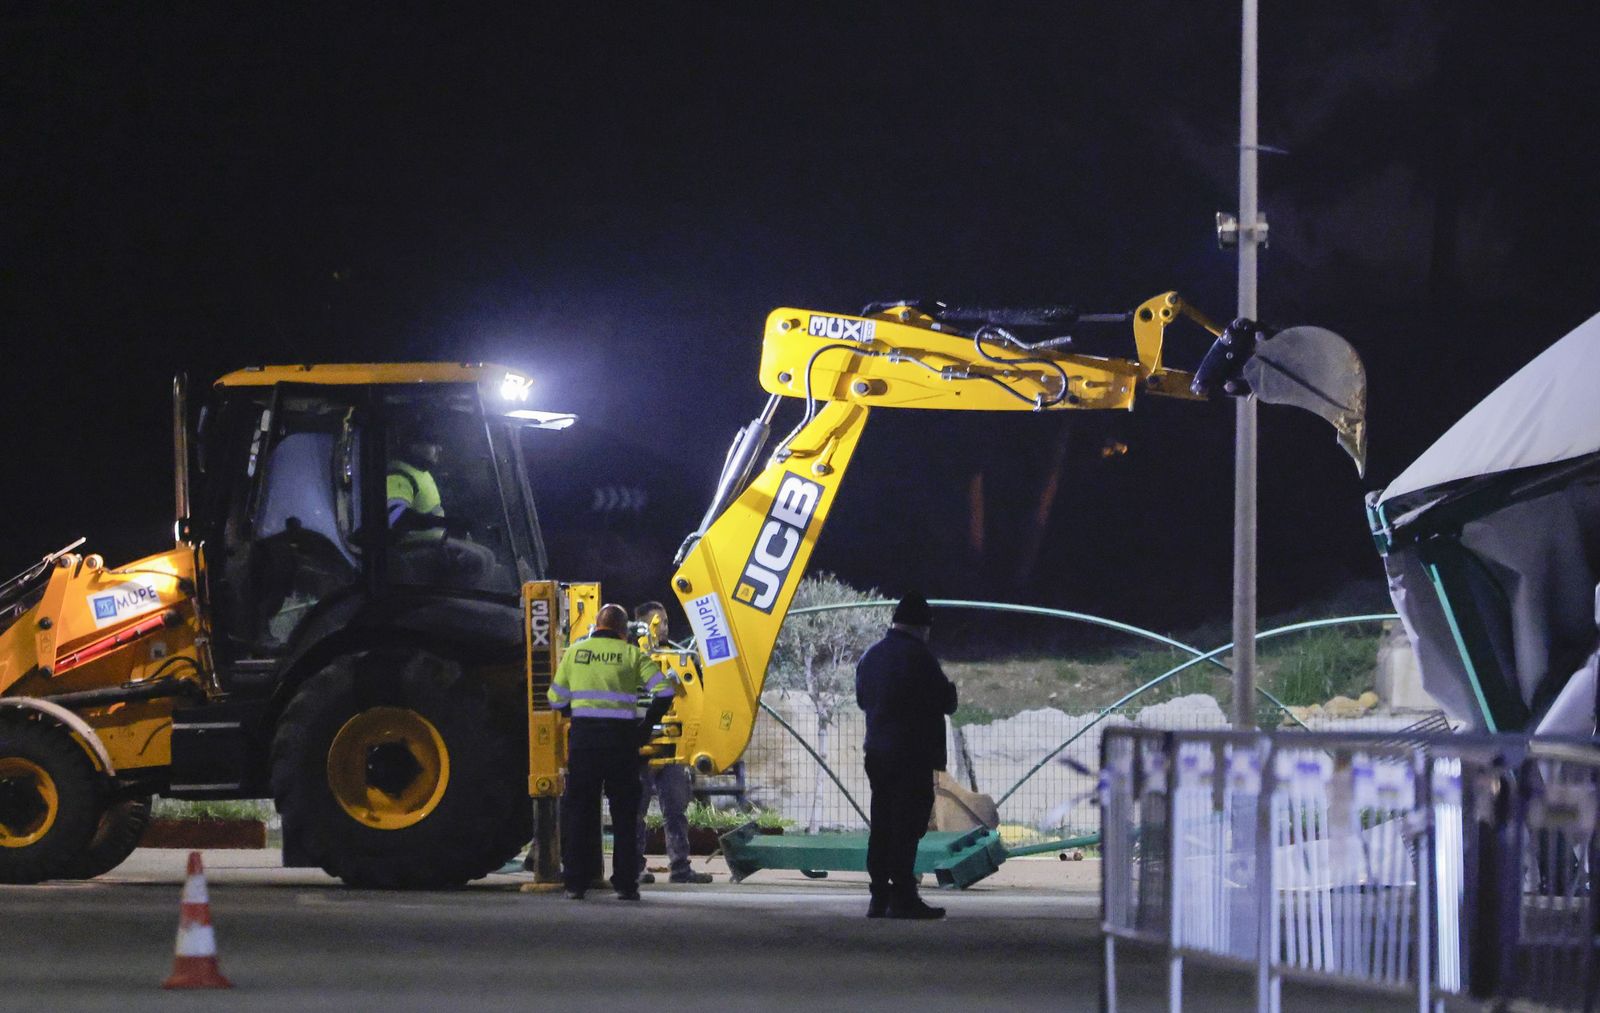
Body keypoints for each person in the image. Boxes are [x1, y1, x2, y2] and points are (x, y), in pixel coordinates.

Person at [549, 603, 676, 900]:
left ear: (596, 624)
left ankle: (576, 884)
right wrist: (644, 728)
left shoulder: (575, 654)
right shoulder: (631, 654)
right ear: (623, 630)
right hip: (622, 745)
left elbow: (555, 699)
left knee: (579, 813)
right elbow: (665, 691)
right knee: (624, 816)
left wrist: (577, 713)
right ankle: (626, 884)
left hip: (584, 744)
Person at [854, 592, 958, 919]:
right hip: (912, 754)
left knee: (883, 821)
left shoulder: (871, 656)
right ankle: (903, 895)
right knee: (908, 824)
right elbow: (946, 702)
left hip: (878, 751)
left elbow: (861, 699)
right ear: (923, 626)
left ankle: (878, 897)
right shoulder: (920, 657)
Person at [630, 602, 713, 886]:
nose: (664, 627)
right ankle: (635, 868)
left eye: (665, 621)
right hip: (641, 750)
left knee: (676, 812)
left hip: (673, 748)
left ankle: (680, 868)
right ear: (641, 625)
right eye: (657, 622)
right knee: (635, 813)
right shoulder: (632, 659)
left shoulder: (678, 659)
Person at [385, 424, 495, 584]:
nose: (440, 449)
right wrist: (443, 522)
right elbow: (396, 517)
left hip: (432, 542)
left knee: (488, 556)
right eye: (432, 443)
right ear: (414, 446)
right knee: (477, 562)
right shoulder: (400, 475)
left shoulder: (421, 472)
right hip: (412, 548)